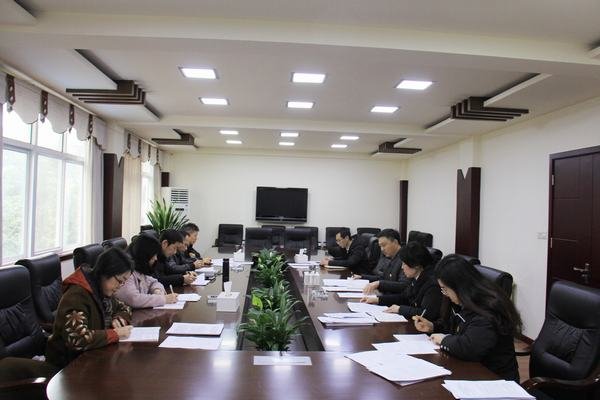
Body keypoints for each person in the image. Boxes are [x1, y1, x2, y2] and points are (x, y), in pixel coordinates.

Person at [412, 254, 522, 381]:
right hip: (473, 370)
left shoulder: (487, 308)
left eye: (445, 289)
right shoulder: (464, 301)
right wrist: (433, 327)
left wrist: (444, 340)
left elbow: (470, 348)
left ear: (459, 286)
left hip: (494, 379)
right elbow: (456, 328)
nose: (445, 294)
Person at [46, 247, 134, 368]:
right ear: (106, 272)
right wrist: (115, 334)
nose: (120, 286)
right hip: (67, 365)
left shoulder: (101, 291)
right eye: (119, 281)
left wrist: (119, 318)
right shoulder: (77, 295)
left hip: (93, 357)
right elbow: (77, 338)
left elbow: (125, 307)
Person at [361, 241, 441, 321]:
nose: (402, 267)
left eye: (404, 264)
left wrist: (400, 309)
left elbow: (425, 313)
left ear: (416, 265)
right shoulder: (416, 276)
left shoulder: (432, 284)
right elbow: (404, 297)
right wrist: (378, 300)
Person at [115, 234, 179, 308]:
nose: (156, 258)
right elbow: (133, 299)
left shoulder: (140, 268)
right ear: (144, 254)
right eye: (153, 255)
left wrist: (157, 290)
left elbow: (154, 281)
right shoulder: (126, 271)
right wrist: (164, 299)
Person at [358, 229, 409, 294]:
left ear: (395, 242)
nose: (382, 249)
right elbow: (384, 277)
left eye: (384, 245)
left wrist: (379, 284)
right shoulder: (393, 257)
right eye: (380, 246)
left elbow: (403, 285)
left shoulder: (405, 258)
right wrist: (362, 277)